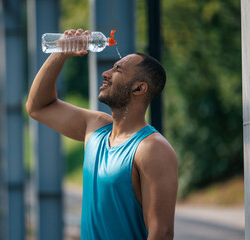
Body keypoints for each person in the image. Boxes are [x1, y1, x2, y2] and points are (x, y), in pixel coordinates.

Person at [26, 29, 178, 240]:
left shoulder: (152, 148)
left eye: (118, 69)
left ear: (138, 88)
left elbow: (161, 232)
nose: (105, 74)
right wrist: (61, 52)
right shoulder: (96, 127)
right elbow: (37, 107)